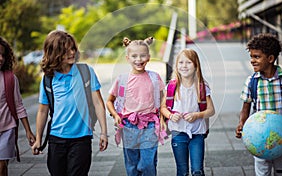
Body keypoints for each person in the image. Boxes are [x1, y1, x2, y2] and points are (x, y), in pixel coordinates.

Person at [31, 30, 108, 176]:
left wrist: (104, 133)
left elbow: (98, 103)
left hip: (81, 139)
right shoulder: (48, 79)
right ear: (54, 53)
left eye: (73, 48)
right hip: (56, 139)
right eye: (66, 51)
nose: (72, 53)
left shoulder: (86, 71)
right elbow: (43, 111)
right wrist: (38, 139)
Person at [235, 33, 282, 176]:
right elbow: (245, 108)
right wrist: (241, 123)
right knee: (262, 172)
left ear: (270, 58)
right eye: (251, 57)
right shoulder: (251, 81)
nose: (252, 61)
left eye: (256, 57)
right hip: (259, 137)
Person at [106, 37, 165, 176]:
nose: (139, 59)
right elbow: (110, 101)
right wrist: (115, 115)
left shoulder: (155, 78)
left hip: (150, 125)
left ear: (149, 57)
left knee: (147, 163)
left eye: (143, 55)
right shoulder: (122, 80)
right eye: (134, 56)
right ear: (127, 58)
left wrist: (162, 118)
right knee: (131, 164)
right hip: (128, 126)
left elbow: (164, 99)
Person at [160, 49, 215, 176]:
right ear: (176, 66)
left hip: (197, 134)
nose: (184, 66)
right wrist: (170, 115)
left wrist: (197, 115)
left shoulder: (202, 87)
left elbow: (211, 110)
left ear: (196, 65)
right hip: (178, 133)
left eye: (188, 62)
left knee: (197, 171)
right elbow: (163, 108)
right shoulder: (171, 87)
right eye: (181, 62)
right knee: (182, 171)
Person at [0, 36, 35, 176]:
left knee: (2, 166)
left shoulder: (10, 79)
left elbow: (19, 106)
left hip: (7, 130)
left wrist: (28, 131)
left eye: (3, 54)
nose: (1, 58)